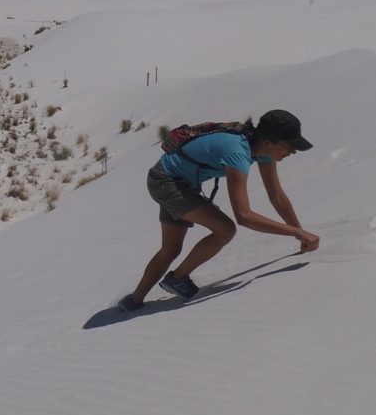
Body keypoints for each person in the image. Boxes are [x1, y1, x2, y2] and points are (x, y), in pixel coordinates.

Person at [118, 109, 320, 311]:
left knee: (171, 249)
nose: (292, 152)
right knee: (225, 229)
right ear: (268, 142)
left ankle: (133, 301)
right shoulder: (236, 153)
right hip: (167, 183)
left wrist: (300, 234)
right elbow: (244, 216)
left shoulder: (263, 152)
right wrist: (297, 232)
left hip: (175, 180)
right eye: (289, 146)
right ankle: (177, 278)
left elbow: (276, 196)